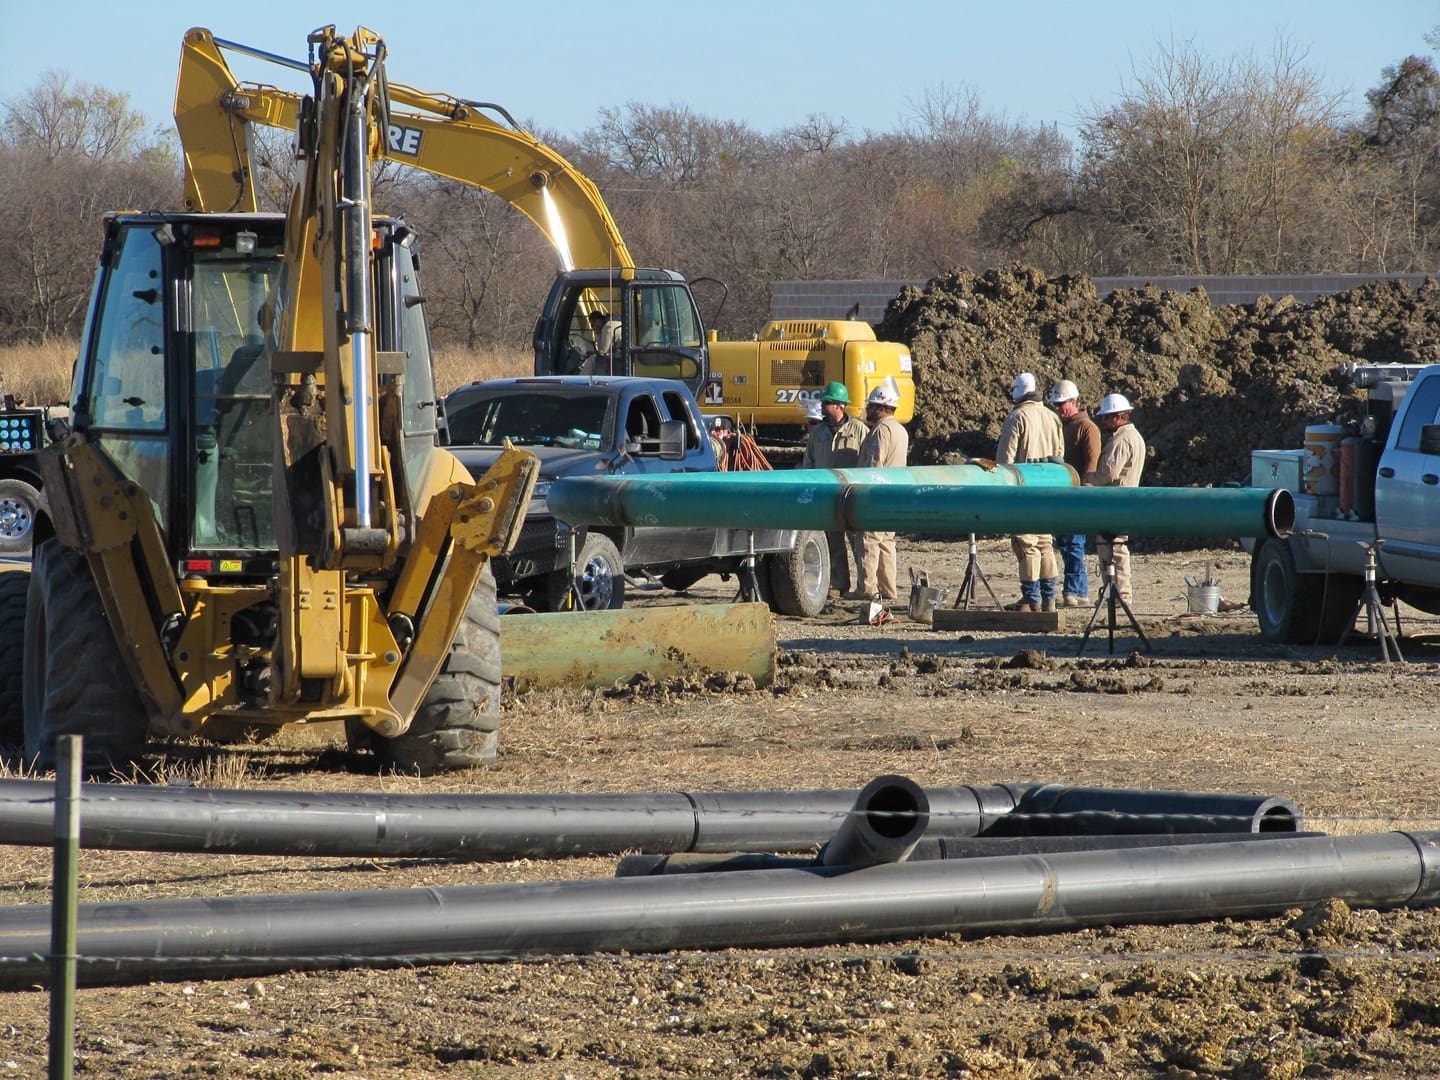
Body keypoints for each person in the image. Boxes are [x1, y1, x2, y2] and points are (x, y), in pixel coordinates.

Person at [995, 372, 1065, 612]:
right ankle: (1049, 599)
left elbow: (1004, 461)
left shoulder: (1017, 417)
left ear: (1017, 392)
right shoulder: (1052, 417)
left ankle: (1031, 598)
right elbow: (1059, 456)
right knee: (1045, 543)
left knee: (1027, 544)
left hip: (1023, 490)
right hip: (1048, 489)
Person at [803, 381, 868, 596]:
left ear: (839, 405)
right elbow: (809, 463)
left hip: (852, 494)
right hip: (827, 495)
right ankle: (839, 584)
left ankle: (865, 585)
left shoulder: (859, 430)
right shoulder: (818, 433)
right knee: (833, 542)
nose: (822, 406)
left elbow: (868, 460)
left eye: (827, 402)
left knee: (859, 543)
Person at [849, 378, 908, 603]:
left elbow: (873, 465)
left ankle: (866, 588)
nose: (868, 410)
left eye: (871, 406)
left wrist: (861, 491)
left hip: (876, 493)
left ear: (881, 407)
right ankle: (888, 589)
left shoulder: (881, 431)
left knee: (869, 540)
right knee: (886, 542)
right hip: (895, 494)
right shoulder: (900, 430)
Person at [1085, 392, 1147, 606]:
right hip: (1125, 501)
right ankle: (1117, 594)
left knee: (1113, 549)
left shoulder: (1121, 440)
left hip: (1114, 503)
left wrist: (1086, 480)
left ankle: (1119, 595)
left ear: (1119, 416)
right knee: (1117, 548)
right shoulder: (1134, 437)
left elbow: (1108, 474)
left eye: (1106, 417)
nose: (1103, 422)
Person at [1047, 379, 1102, 607]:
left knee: (1073, 544)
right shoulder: (1061, 426)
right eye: (1056, 405)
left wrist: (1084, 493)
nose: (1058, 409)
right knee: (1066, 544)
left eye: (1062, 405)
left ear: (1074, 401)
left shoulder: (1087, 428)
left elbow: (1092, 463)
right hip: (1063, 494)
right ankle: (1077, 591)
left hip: (1076, 494)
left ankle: (1075, 591)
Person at [581, 309, 622, 375]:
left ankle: (581, 380)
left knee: (592, 360)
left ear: (598, 321)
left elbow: (603, 352)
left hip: (619, 356)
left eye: (592, 325)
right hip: (620, 354)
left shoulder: (608, 327)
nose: (593, 328)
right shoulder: (614, 323)